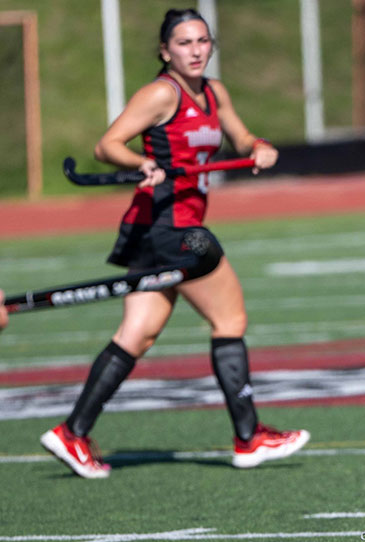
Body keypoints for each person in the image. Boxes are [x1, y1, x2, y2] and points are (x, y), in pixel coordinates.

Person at [39, 8, 309, 478]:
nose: (196, 50)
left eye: (203, 41)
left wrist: (257, 146)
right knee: (230, 316)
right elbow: (109, 145)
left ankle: (73, 432)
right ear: (165, 51)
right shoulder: (161, 93)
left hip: (154, 231)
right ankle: (249, 438)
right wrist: (140, 162)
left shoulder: (213, 91)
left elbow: (240, 135)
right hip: (170, 228)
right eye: (184, 43)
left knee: (137, 333)